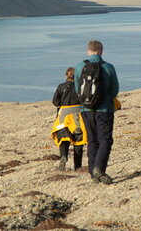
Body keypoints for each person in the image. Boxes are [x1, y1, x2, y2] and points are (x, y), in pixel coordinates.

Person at [74, 40, 119, 185]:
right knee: (105, 139)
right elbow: (114, 91)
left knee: (92, 140)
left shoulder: (80, 66)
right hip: (104, 109)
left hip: (86, 109)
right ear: (101, 51)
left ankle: (93, 173)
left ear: (88, 51)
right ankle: (99, 169)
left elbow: (77, 89)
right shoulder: (108, 67)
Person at [51, 67, 85, 171]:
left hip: (63, 117)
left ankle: (63, 157)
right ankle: (78, 166)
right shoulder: (81, 87)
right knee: (78, 142)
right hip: (77, 117)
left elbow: (55, 102)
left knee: (64, 139)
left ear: (66, 76)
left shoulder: (61, 87)